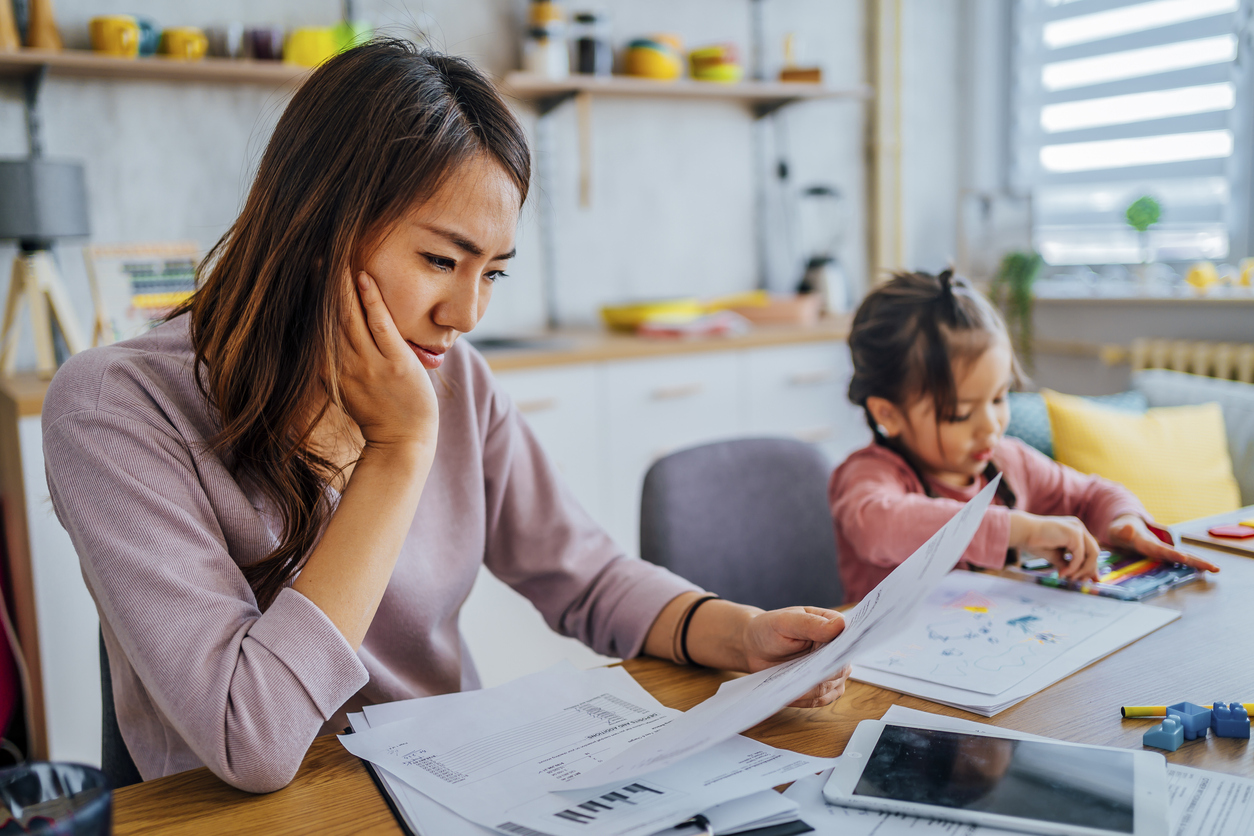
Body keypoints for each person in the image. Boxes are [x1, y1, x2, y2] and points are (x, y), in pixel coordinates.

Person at [42, 41, 851, 793]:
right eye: (439, 260)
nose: (464, 313)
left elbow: (590, 577)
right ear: (319, 230)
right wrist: (398, 452)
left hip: (454, 791)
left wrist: (742, 635)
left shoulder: (457, 377)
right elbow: (250, 738)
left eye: (492, 272)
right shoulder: (116, 409)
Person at [829, 269, 1219, 603]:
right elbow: (879, 525)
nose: (991, 426)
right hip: (882, 678)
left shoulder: (1009, 461)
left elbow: (1094, 493)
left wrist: (1124, 523)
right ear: (887, 414)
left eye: (999, 398)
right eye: (959, 413)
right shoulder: (867, 475)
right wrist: (1023, 529)